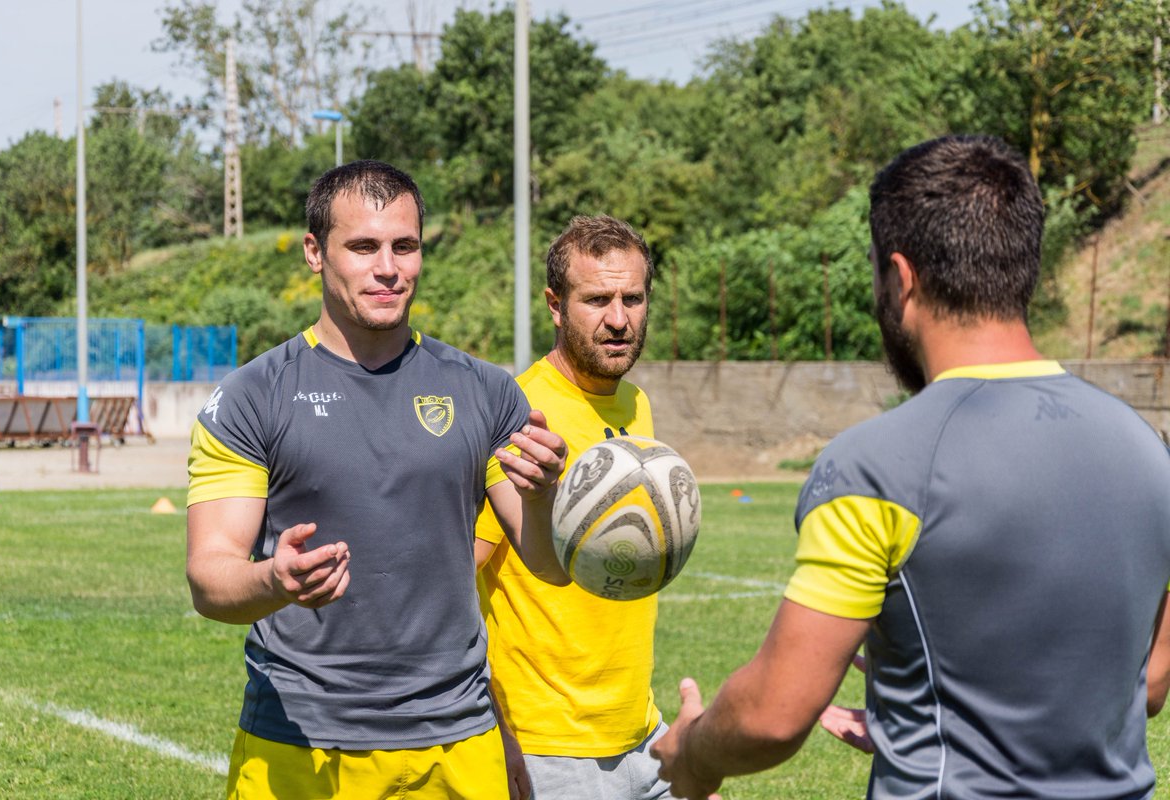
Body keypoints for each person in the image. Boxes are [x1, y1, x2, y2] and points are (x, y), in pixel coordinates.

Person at [651, 134, 1170, 800]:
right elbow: (1149, 683)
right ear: (1024, 269)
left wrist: (693, 755)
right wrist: (933, 716)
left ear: (900, 277)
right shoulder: (1147, 451)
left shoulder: (876, 467)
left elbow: (772, 717)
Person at [185, 159, 570, 800]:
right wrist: (272, 580)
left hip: (458, 739)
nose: (388, 267)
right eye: (363, 246)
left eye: (405, 246)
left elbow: (548, 565)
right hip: (300, 742)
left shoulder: (484, 390)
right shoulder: (253, 397)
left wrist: (546, 493)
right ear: (315, 251)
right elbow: (209, 575)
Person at [475, 214, 673, 800]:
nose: (619, 320)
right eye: (596, 300)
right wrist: (497, 731)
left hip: (641, 731)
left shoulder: (635, 404)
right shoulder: (519, 417)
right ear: (555, 305)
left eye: (632, 298)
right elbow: (449, 581)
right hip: (550, 750)